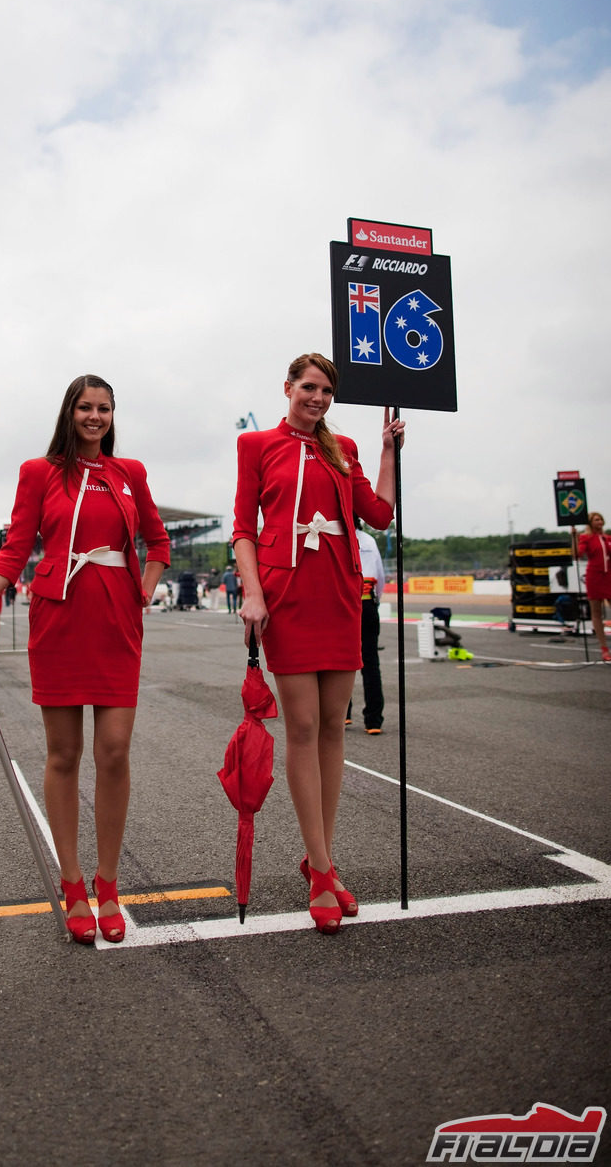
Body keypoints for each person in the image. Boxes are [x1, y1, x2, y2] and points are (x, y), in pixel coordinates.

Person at [0, 375, 170, 945]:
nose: (94, 417)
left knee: (115, 752)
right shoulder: (38, 472)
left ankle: (109, 883)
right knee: (64, 754)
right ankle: (73, 883)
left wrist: (143, 587)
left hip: (118, 620)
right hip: (59, 617)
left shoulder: (131, 474)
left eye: (104, 409)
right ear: (69, 412)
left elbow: (158, 542)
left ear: (113, 415)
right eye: (85, 408)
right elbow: (15, 550)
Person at [232, 352, 404, 934]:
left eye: (327, 390)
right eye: (309, 387)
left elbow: (378, 514)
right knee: (302, 729)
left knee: (333, 727)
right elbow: (243, 530)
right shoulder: (256, 446)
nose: (318, 398)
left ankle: (319, 858)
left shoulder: (344, 448)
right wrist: (253, 595)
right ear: (288, 387)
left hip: (339, 597)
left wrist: (387, 452)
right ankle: (324, 870)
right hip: (287, 598)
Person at [345, 518, 387, 733]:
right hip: (367, 602)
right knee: (371, 662)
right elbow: (380, 577)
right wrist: (373, 602)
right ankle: (373, 719)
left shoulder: (336, 538)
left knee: (341, 661)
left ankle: (344, 713)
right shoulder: (369, 541)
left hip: (343, 605)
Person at [572, 512, 611, 662]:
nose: (599, 521)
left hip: (609, 576)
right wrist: (575, 537)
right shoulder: (586, 538)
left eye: (601, 518)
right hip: (595, 576)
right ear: (590, 523)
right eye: (596, 519)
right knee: (596, 612)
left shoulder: (608, 538)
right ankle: (604, 648)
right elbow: (577, 555)